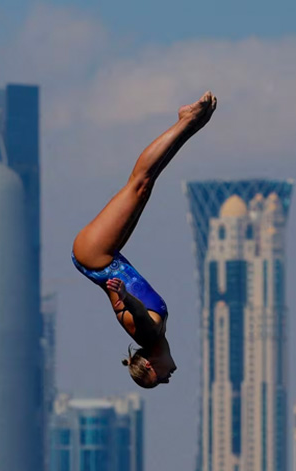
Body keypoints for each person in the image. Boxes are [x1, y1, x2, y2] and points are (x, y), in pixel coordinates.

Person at [71, 90, 218, 388]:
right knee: (145, 185)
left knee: (138, 184)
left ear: (150, 365)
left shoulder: (148, 335)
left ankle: (186, 121)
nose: (166, 380)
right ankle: (190, 126)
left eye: (157, 379)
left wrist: (125, 298)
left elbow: (137, 313)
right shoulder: (157, 334)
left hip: (96, 255)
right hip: (105, 256)